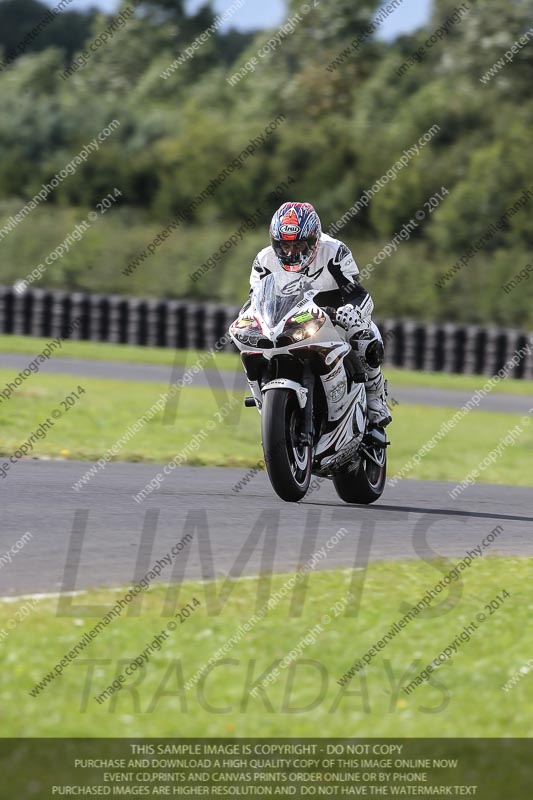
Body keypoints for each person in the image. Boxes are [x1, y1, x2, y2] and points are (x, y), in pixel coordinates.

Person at [244, 201, 392, 428]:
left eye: (299, 245)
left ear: (314, 240)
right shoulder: (264, 261)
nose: (291, 252)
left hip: (332, 319)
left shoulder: (334, 252)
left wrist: (351, 311)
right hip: (289, 322)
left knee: (365, 337)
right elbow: (254, 300)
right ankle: (265, 403)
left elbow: (358, 293)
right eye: (284, 245)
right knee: (251, 345)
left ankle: (374, 398)